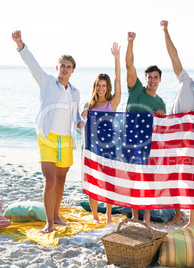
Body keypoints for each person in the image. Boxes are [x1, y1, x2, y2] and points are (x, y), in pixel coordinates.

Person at [11, 30, 84, 234]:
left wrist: (83, 123)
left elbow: (76, 117)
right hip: (47, 138)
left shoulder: (75, 92)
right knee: (49, 180)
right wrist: (21, 44)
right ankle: (49, 223)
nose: (65, 69)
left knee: (61, 180)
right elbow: (32, 64)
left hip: (66, 140)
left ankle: (57, 215)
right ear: (57, 67)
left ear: (72, 71)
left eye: (68, 67)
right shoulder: (46, 82)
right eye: (62, 65)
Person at [161, 20, 194, 227]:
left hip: (189, 142)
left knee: (189, 177)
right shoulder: (184, 80)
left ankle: (190, 215)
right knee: (172, 176)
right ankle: (178, 214)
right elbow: (173, 55)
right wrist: (166, 30)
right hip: (171, 134)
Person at [125, 31, 166, 225]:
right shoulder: (136, 89)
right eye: (149, 77)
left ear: (159, 80)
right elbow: (129, 65)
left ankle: (147, 218)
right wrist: (131, 42)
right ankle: (134, 216)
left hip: (149, 145)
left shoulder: (160, 102)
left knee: (148, 180)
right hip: (129, 140)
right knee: (133, 179)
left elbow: (164, 129)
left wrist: (161, 117)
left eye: (155, 77)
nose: (152, 80)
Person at [81, 42, 121, 224]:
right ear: (95, 86)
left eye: (104, 85)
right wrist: (81, 117)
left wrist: (117, 59)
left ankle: (109, 214)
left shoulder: (112, 103)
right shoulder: (88, 106)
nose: (101, 88)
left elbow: (119, 81)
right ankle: (95, 215)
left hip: (108, 148)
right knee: (92, 182)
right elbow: (79, 125)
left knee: (108, 181)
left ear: (108, 87)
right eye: (98, 85)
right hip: (91, 148)